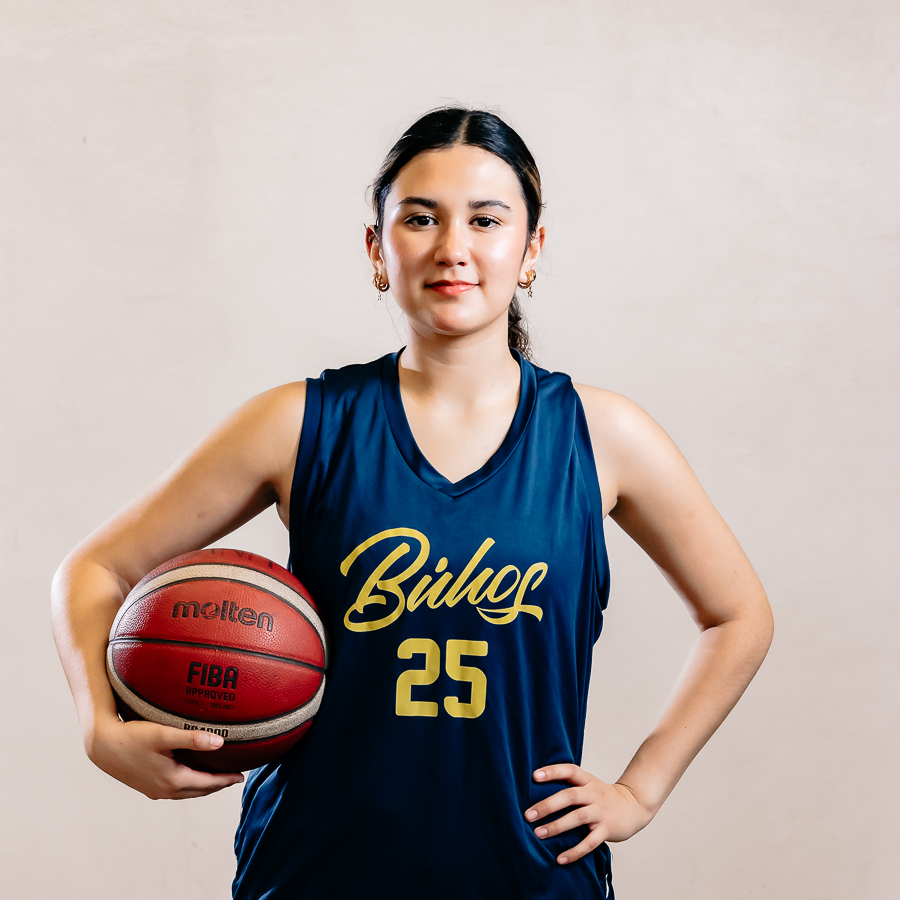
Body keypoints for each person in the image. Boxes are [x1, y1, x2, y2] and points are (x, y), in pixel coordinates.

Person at [51, 107, 773, 899]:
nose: (452, 247)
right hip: (314, 872)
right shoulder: (300, 423)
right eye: (421, 218)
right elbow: (95, 568)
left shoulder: (602, 437)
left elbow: (739, 615)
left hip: (529, 877)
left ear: (532, 248)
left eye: (486, 220)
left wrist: (640, 789)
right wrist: (99, 725)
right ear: (377, 249)